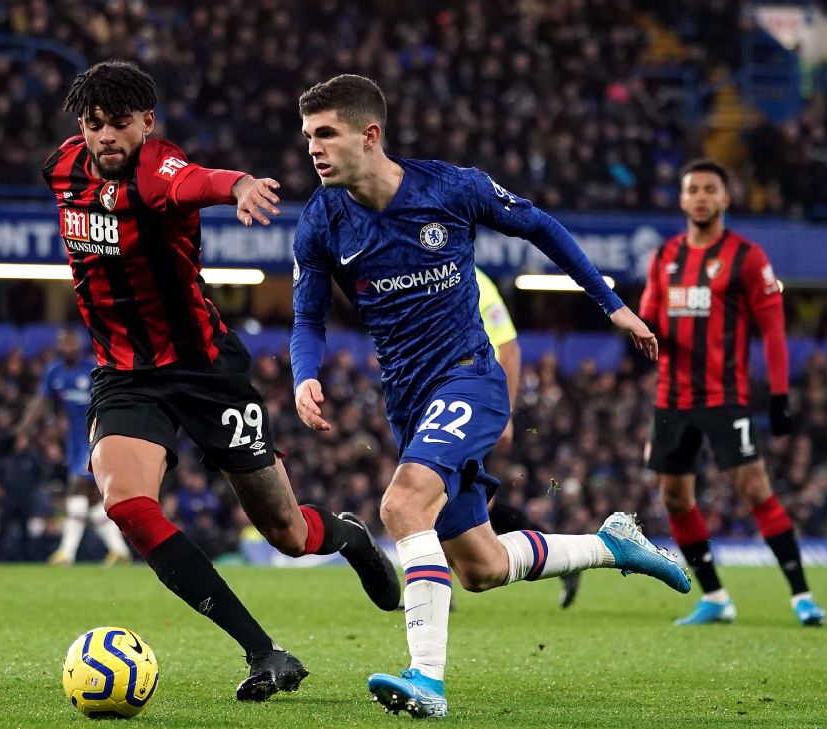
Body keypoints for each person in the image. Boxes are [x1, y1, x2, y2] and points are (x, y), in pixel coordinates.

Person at [290, 74, 690, 719]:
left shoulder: (450, 188)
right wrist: (303, 373)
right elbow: (307, 317)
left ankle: (426, 681)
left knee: (403, 504)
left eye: (326, 133)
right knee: (479, 564)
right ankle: (613, 545)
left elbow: (540, 226)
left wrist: (610, 303)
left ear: (370, 135)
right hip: (407, 400)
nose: (313, 148)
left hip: (470, 375)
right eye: (308, 135)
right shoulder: (321, 222)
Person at [41, 60, 399, 703]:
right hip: (126, 375)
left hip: (206, 371)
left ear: (147, 123)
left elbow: (192, 182)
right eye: (94, 126)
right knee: (126, 504)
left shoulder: (156, 169)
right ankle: (265, 652)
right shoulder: (62, 168)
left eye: (120, 125)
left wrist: (235, 186)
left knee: (287, 535)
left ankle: (347, 536)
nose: (106, 139)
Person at [638, 159, 825, 627]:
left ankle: (802, 596)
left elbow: (774, 330)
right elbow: (648, 318)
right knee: (675, 498)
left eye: (709, 189)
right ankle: (717, 597)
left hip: (725, 397)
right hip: (673, 399)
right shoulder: (665, 258)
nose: (700, 196)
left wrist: (780, 395)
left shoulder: (747, 257)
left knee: (754, 489)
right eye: (692, 189)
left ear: (725, 198)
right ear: (682, 200)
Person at [475, 267, 582, 609]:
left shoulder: (475, 281)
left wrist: (504, 414)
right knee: (469, 509)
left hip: (476, 406)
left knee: (452, 502)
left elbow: (509, 347)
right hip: (444, 404)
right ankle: (561, 554)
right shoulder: (423, 273)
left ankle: (434, 592)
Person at [17, 329, 132, 567]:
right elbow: (42, 401)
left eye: (70, 343)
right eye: (63, 343)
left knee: (76, 489)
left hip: (95, 437)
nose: (67, 347)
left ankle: (66, 553)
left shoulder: (93, 369)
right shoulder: (54, 372)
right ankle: (119, 551)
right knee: (91, 502)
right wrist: (23, 428)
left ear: (79, 345)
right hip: (73, 440)